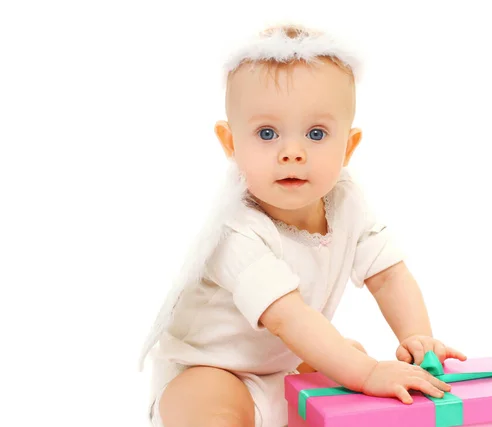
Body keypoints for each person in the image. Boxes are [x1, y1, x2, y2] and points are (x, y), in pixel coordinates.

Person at [138, 23, 467, 427]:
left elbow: (388, 275)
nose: (292, 152)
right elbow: (287, 317)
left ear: (348, 146)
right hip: (214, 368)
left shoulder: (346, 201)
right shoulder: (236, 230)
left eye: (315, 133)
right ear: (231, 144)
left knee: (345, 354)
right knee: (213, 406)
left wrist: (417, 337)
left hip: (286, 361)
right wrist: (365, 374)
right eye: (267, 133)